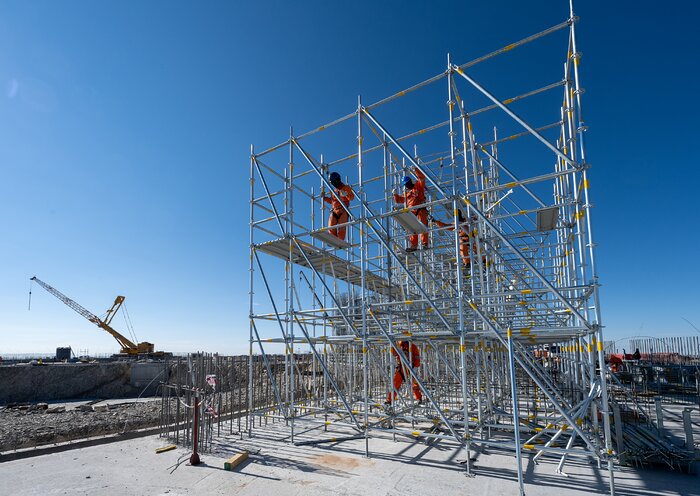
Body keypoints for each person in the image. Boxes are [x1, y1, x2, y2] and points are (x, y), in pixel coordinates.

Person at [393, 167, 428, 251]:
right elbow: (399, 200)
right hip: (412, 212)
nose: (407, 185)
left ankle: (424, 244)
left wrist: (416, 170)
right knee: (413, 229)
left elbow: (422, 178)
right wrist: (395, 195)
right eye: (406, 184)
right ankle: (414, 245)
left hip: (420, 210)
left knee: (423, 227)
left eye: (408, 183)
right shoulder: (407, 194)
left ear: (411, 181)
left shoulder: (418, 186)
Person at [386, 340, 423, 405]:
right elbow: (394, 354)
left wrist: (415, 368)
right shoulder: (399, 345)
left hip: (411, 368)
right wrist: (393, 345)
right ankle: (389, 400)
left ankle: (419, 398)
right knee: (395, 384)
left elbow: (417, 358)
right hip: (401, 368)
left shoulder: (413, 347)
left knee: (414, 384)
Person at [323, 172, 354, 241]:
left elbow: (351, 197)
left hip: (343, 210)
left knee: (341, 228)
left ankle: (340, 240)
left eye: (334, 182)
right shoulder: (335, 190)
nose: (333, 184)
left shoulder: (346, 188)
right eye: (332, 183)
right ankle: (333, 239)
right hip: (334, 210)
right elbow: (332, 201)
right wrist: (325, 198)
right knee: (331, 227)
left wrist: (346, 194)